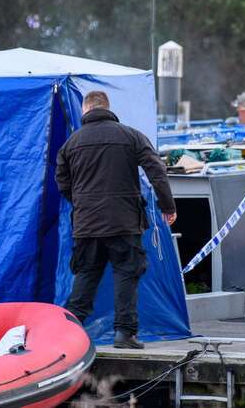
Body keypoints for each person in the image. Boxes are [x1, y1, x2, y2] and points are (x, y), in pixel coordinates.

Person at [55, 91, 176, 349]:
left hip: (87, 224)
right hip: (124, 221)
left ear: (85, 111)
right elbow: (156, 170)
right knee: (126, 274)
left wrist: (82, 203)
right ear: (107, 108)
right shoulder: (130, 136)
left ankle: (64, 334)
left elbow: (62, 182)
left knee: (86, 276)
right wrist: (168, 206)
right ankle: (125, 334)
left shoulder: (71, 143)